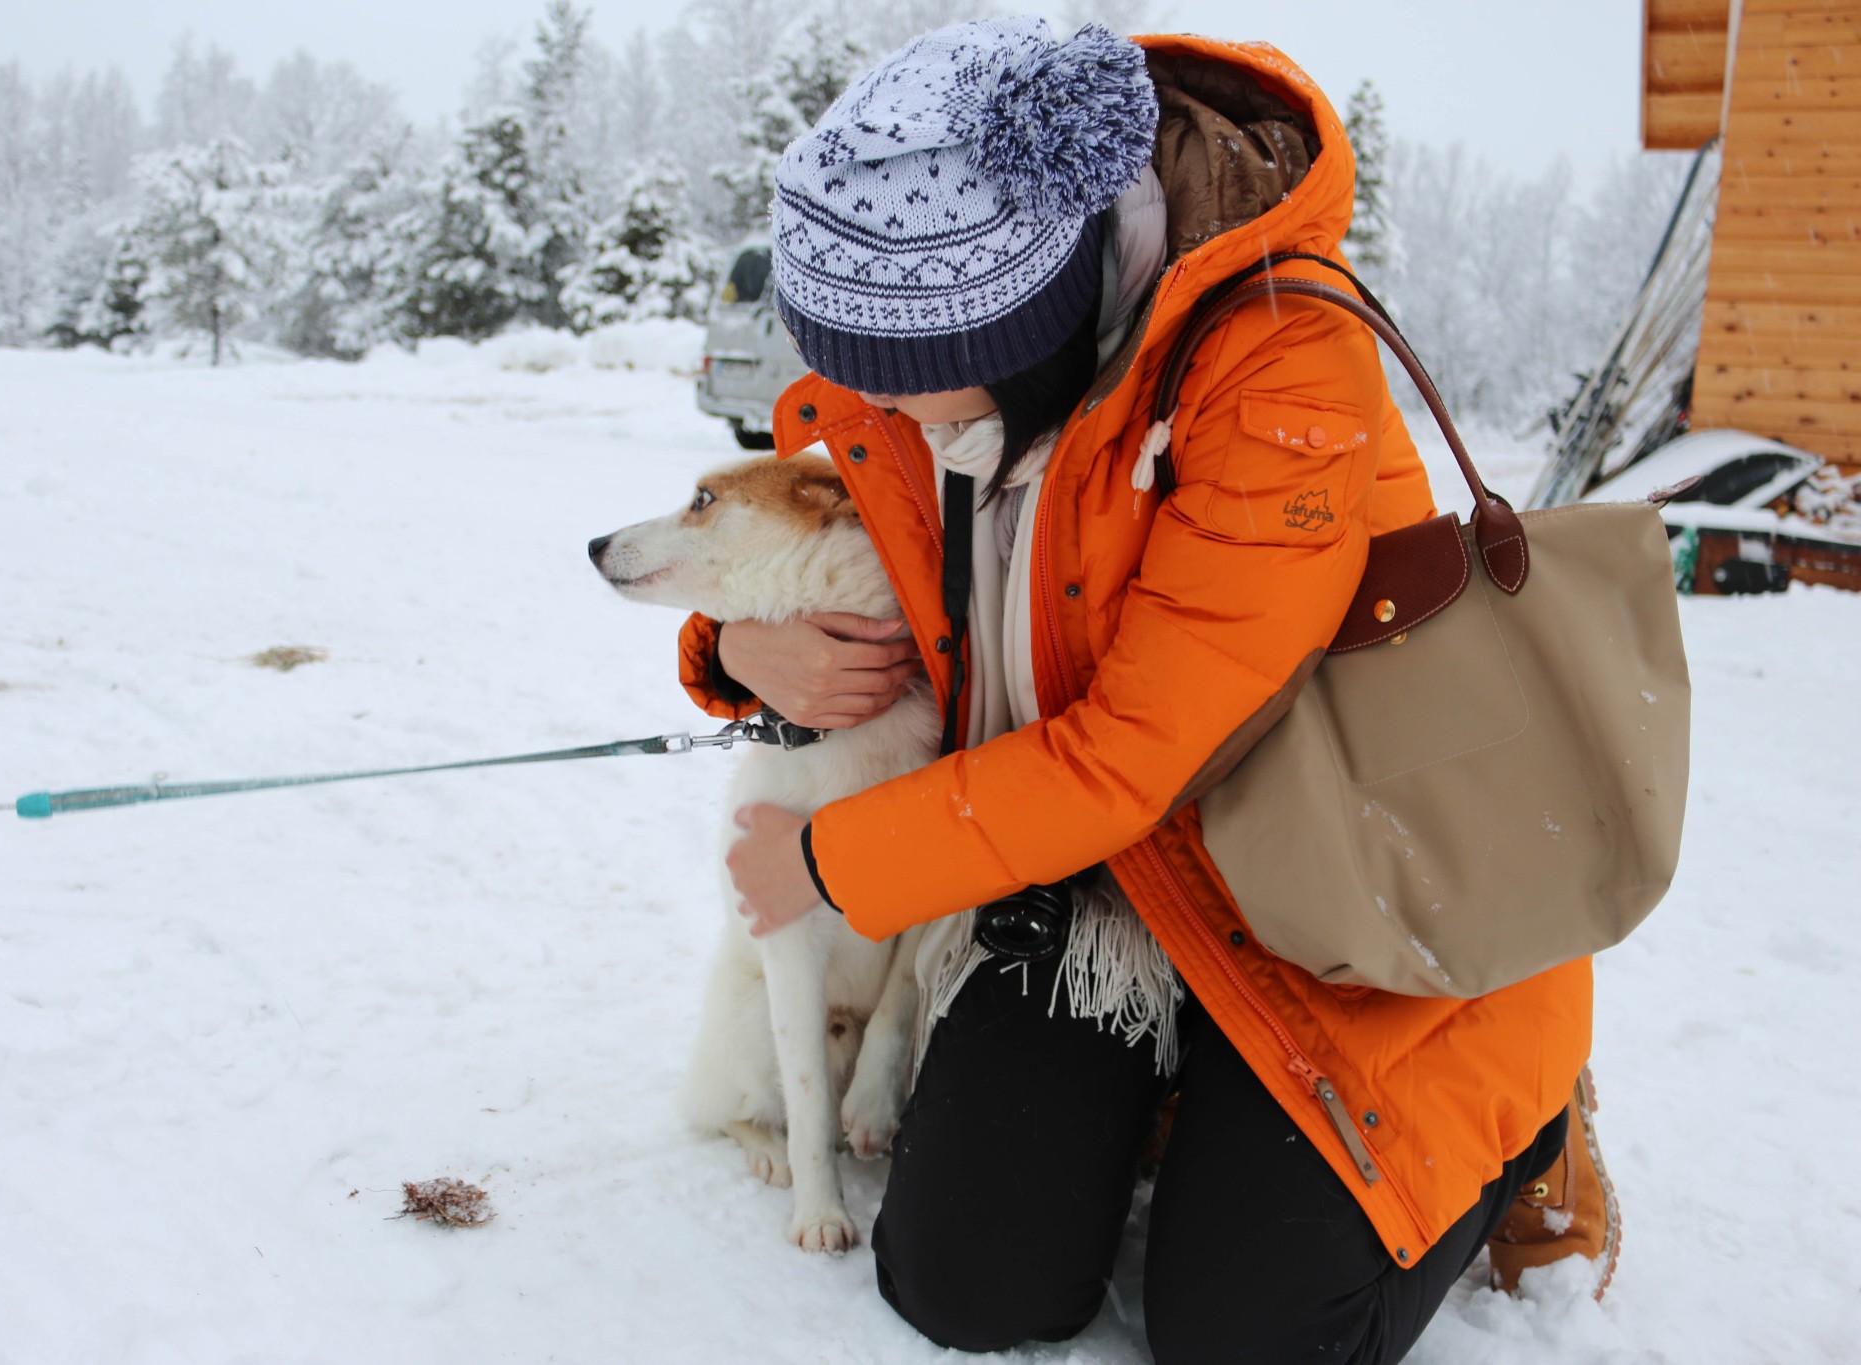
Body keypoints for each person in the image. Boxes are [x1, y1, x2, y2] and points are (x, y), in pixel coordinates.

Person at [689, 20, 1618, 1362]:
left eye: (904, 382)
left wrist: (828, 861)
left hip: (1328, 887)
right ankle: (1170, 1095)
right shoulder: (916, 376)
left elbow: (1139, 750)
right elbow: (794, 547)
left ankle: (1523, 1118)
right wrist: (735, 651)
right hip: (1091, 885)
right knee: (967, 1285)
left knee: (1252, 1338)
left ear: (1034, 326)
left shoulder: (1278, 366)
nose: (866, 407)